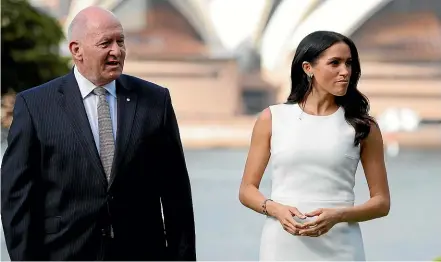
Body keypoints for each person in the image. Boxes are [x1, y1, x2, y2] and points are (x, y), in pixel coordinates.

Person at [1, 6, 196, 261]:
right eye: (106, 43)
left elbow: (176, 195)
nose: (116, 51)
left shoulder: (154, 101)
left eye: (120, 41)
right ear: (76, 50)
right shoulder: (35, 105)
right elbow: (15, 198)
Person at [239, 30, 390, 260]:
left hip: (341, 245)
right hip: (282, 244)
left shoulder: (363, 127)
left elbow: (381, 203)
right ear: (308, 68)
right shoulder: (272, 118)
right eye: (335, 63)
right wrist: (276, 209)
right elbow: (247, 190)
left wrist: (338, 215)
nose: (345, 71)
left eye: (349, 63)